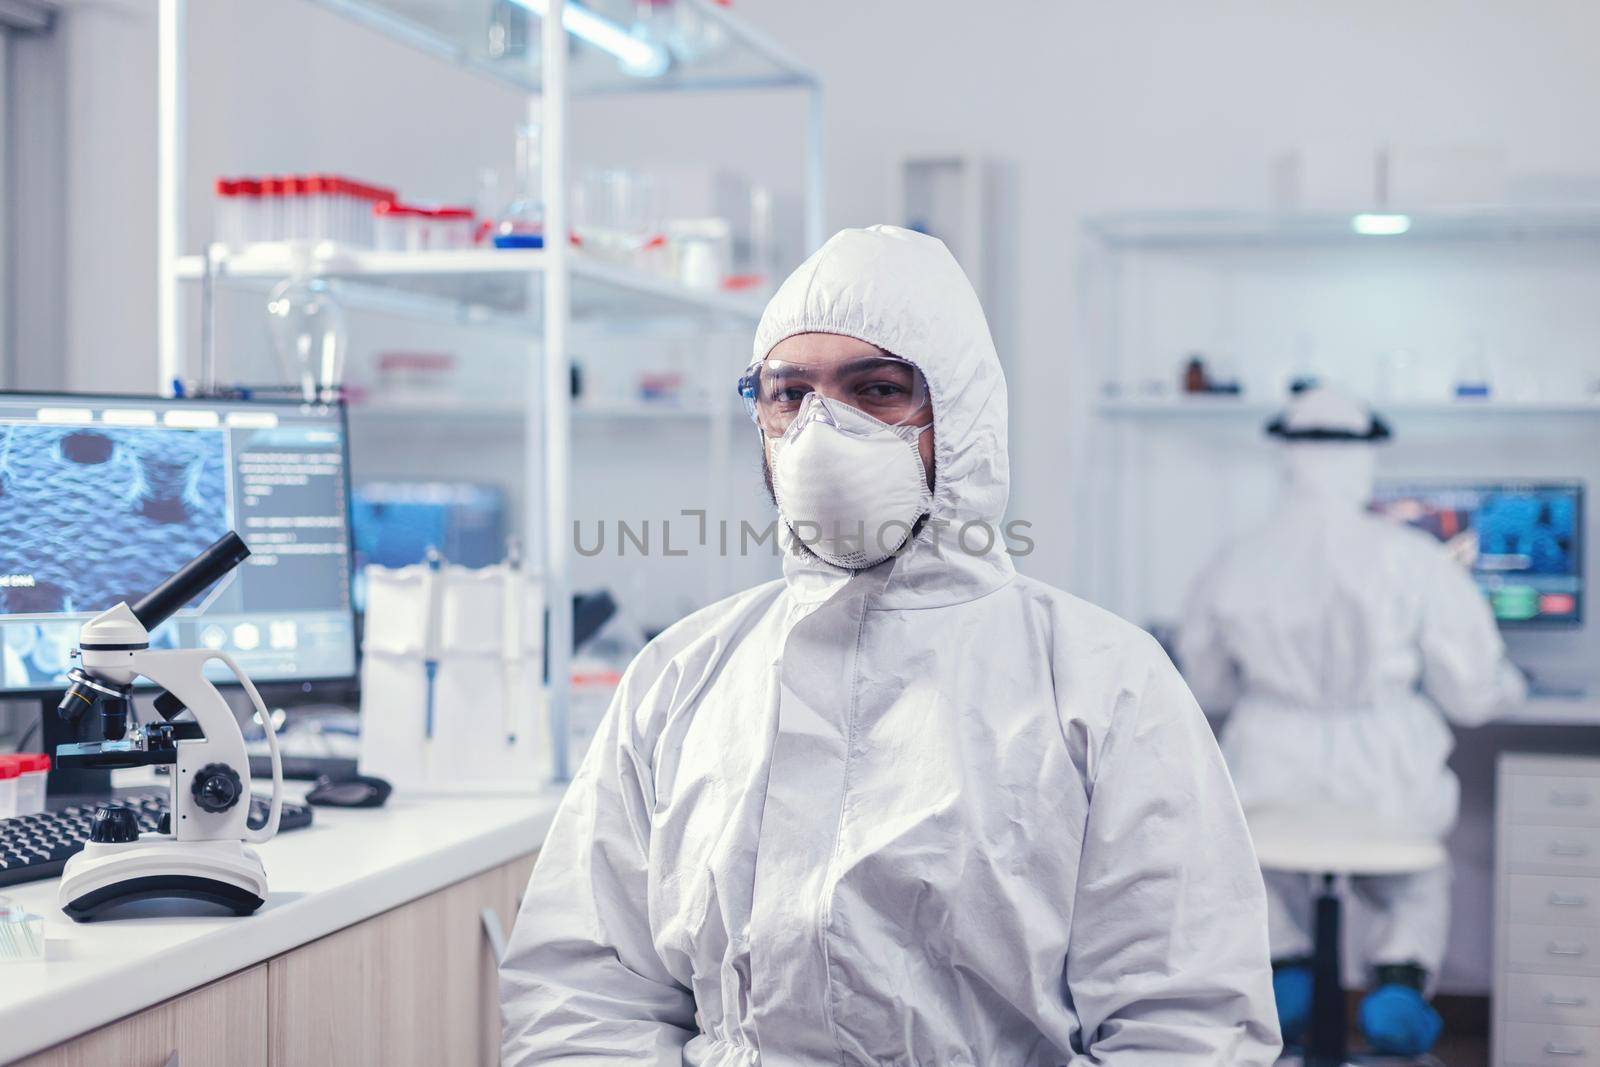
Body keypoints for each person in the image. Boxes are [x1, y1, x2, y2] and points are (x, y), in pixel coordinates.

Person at [501, 225, 1280, 1065]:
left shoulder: (1102, 685)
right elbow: (580, 991)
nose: (821, 432)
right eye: (789, 394)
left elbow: (1187, 1029)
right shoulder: (679, 677)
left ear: (962, 414)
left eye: (875, 391)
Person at [1177, 386, 1526, 1057]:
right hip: (1385, 763)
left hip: (1269, 754)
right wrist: (1511, 684)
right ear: (1366, 456)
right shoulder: (1413, 560)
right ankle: (1397, 982)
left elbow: (1208, 685)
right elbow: (1472, 691)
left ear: (1288, 458)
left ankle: (1288, 972)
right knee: (1414, 880)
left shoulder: (1236, 559)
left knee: (1267, 872)